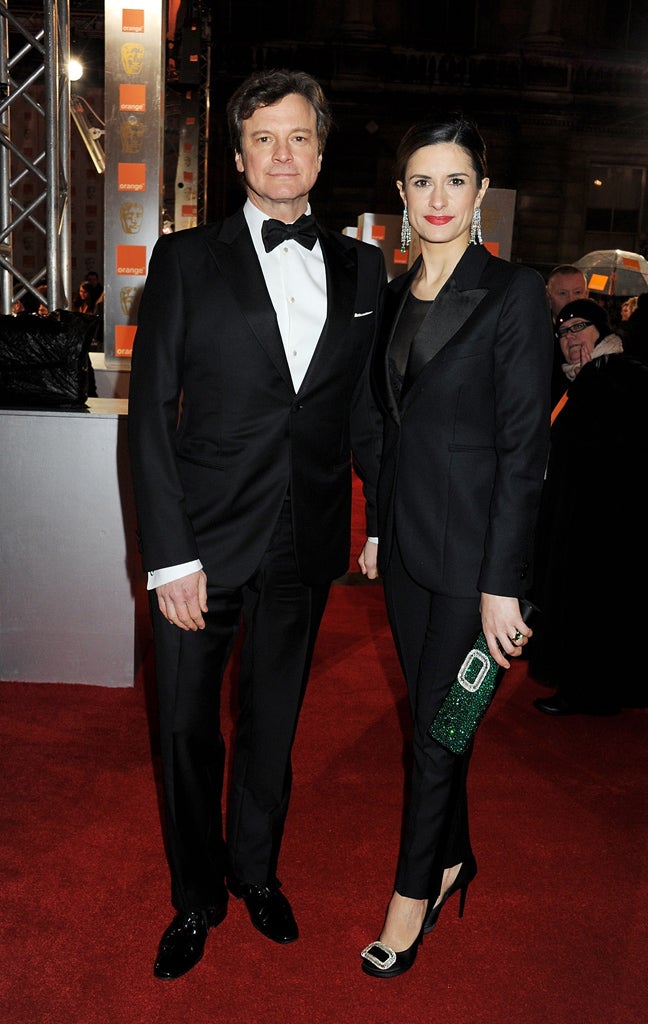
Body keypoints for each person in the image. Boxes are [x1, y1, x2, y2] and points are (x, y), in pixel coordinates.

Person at [127, 68, 386, 981]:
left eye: (300, 137)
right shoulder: (186, 258)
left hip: (303, 541)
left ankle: (256, 873)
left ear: (321, 151)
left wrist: (379, 517)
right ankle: (195, 897)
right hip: (201, 542)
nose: (284, 154)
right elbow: (152, 414)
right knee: (188, 727)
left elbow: (363, 410)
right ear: (238, 156)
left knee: (274, 723)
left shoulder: (363, 266)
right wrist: (169, 558)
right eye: (265, 138)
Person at [357, 113, 553, 979]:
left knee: (441, 730)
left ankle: (411, 899)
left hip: (479, 568)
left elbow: (524, 450)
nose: (439, 198)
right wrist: (372, 526)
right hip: (404, 553)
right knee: (440, 723)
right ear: (402, 196)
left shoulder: (513, 293)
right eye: (422, 182)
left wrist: (503, 583)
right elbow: (381, 424)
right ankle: (453, 855)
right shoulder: (396, 294)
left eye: (456, 181)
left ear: (481, 195)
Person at [529, 298, 648, 715]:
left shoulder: (618, 371)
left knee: (598, 608)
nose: (570, 338)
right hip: (581, 518)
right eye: (563, 332)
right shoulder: (574, 379)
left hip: (608, 522)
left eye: (580, 327)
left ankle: (588, 690)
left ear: (601, 331)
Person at [545, 264, 589, 405]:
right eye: (562, 293)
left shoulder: (603, 338)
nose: (571, 300)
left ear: (586, 295)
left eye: (577, 292)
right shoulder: (535, 339)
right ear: (549, 298)